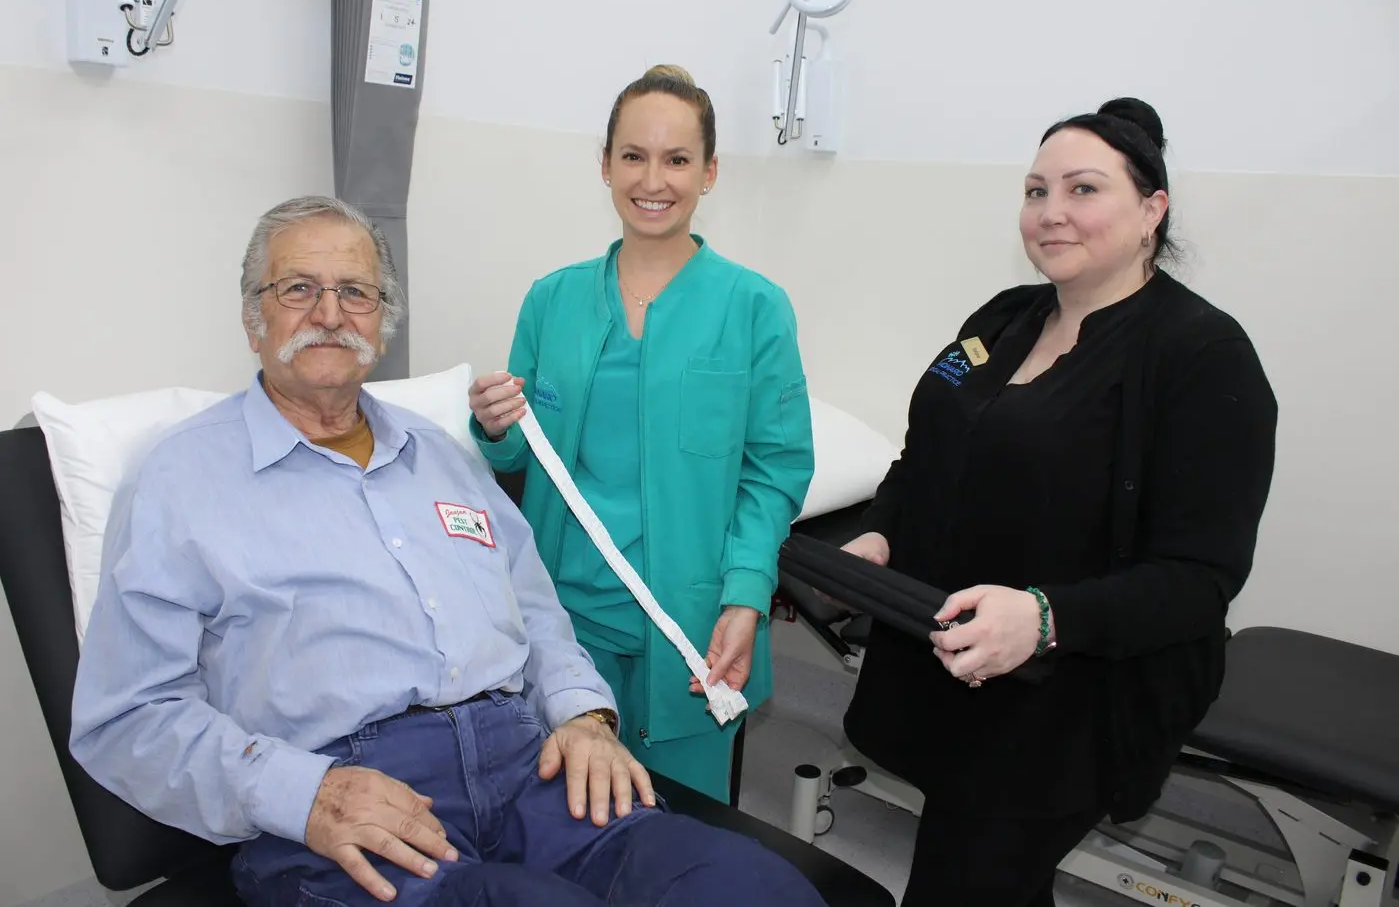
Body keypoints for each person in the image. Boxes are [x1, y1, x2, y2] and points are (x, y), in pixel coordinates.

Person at [68, 195, 829, 907]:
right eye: (298, 288)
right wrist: (307, 793)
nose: (330, 313)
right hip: (355, 801)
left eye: (356, 293)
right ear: (252, 317)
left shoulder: (437, 455)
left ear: (382, 320)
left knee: (754, 885)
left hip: (530, 769)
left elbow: (536, 612)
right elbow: (127, 715)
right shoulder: (181, 478)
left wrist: (583, 715)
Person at [837, 98, 1279, 907]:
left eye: (1082, 190)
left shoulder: (1201, 357)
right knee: (984, 871)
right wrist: (877, 532)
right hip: (952, 655)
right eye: (1036, 191)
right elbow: (923, 455)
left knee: (962, 879)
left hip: (1072, 691)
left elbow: (1197, 577)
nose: (1050, 214)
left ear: (1151, 210)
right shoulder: (1001, 320)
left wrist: (1042, 618)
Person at [467, 65, 815, 804]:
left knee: (684, 840)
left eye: (677, 159)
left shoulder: (754, 308)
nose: (652, 179)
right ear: (604, 164)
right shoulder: (551, 300)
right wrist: (492, 426)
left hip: (693, 626)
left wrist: (747, 596)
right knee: (565, 829)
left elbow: (775, 468)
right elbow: (517, 454)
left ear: (709, 172)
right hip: (562, 623)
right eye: (633, 155)